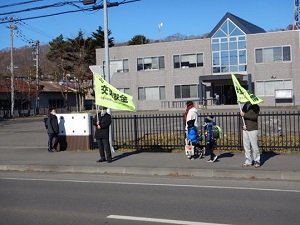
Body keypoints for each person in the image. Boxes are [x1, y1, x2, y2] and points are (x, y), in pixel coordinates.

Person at [240, 101, 260, 168]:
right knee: (246, 146)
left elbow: (254, 117)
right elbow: (242, 117)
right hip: (245, 128)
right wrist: (243, 125)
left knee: (254, 146)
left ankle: (257, 160)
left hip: (253, 128)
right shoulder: (245, 105)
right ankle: (248, 161)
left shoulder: (256, 106)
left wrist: (244, 115)